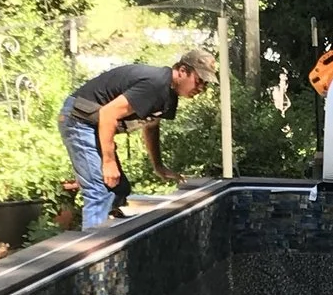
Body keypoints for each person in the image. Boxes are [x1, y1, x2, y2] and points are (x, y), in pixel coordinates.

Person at [58, 50, 216, 230]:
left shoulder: (169, 94)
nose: (201, 88)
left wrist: (158, 166)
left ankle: (110, 232)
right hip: (79, 120)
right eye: (199, 80)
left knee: (119, 189)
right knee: (99, 191)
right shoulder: (155, 84)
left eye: (206, 84)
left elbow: (151, 125)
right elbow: (108, 114)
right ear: (182, 71)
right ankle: (95, 244)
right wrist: (108, 162)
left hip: (93, 124)